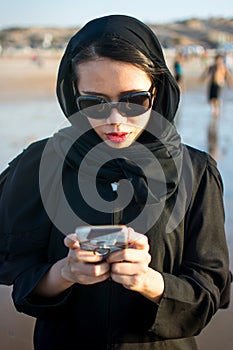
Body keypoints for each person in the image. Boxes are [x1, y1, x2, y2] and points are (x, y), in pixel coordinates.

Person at [0, 15, 231, 350]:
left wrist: (149, 281)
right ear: (73, 94)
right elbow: (22, 282)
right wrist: (65, 273)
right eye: (93, 102)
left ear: (157, 89)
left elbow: (210, 290)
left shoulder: (195, 171)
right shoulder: (41, 165)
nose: (115, 120)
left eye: (134, 99)